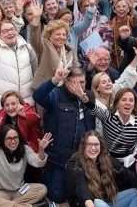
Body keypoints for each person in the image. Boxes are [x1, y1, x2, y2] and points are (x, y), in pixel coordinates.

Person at [33, 66, 95, 204]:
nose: (79, 87)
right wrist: (55, 79)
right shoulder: (56, 95)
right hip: (58, 160)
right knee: (57, 196)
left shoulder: (88, 97)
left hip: (80, 159)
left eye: (82, 82)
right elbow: (37, 96)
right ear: (66, 82)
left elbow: (92, 122)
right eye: (74, 82)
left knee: (80, 197)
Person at [0, 110, 51, 207]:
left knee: (42, 189)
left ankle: (10, 205)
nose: (13, 141)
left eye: (15, 137)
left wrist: (41, 150)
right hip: (0, 192)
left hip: (20, 191)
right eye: (9, 138)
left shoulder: (24, 149)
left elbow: (38, 162)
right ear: (3, 139)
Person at [66, 131, 137, 207]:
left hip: (108, 202)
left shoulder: (107, 160)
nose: (93, 148)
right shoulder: (75, 162)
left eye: (96, 144)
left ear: (101, 146)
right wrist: (88, 202)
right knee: (98, 203)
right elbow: (81, 186)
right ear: (83, 146)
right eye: (89, 144)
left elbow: (128, 175)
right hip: (90, 204)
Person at [90, 88, 137, 165]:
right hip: (108, 159)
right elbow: (94, 108)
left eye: (131, 100)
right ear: (117, 103)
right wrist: (83, 97)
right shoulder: (108, 117)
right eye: (124, 100)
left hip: (129, 160)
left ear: (134, 105)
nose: (128, 103)